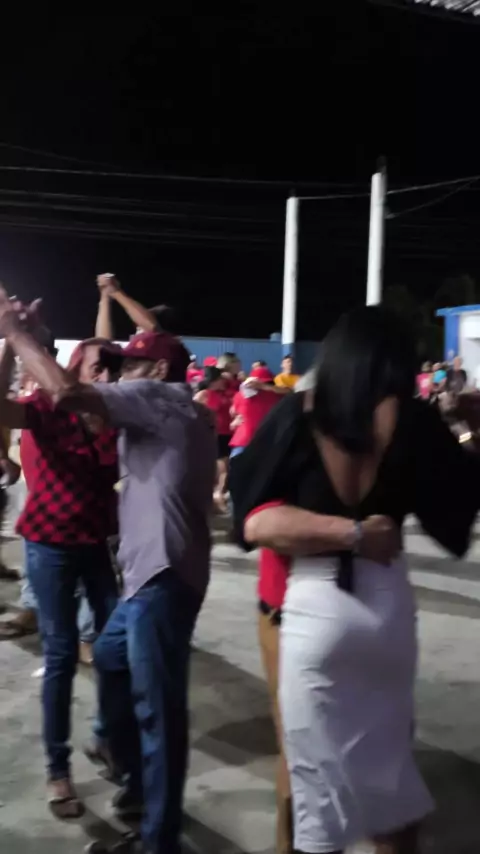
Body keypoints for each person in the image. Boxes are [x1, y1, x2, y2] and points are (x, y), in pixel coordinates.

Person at [230, 305, 480, 854]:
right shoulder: (413, 421)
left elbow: (248, 518)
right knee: (389, 768)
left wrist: (347, 532)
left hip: (314, 603)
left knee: (315, 784)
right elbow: (456, 512)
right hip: (386, 604)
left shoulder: (298, 415)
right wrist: (469, 432)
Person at [0, 297, 216, 854]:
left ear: (159, 371)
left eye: (128, 366)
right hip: (135, 570)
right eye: (109, 367)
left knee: (159, 714)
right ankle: (118, 767)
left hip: (156, 575)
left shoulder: (153, 400)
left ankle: (156, 838)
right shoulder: (175, 410)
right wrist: (19, 346)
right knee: (107, 657)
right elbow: (41, 402)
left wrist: (15, 334)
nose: (118, 376)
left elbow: (72, 394)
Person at [0, 326, 122, 819]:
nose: (107, 376)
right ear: (73, 371)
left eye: (112, 368)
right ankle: (58, 770)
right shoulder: (46, 408)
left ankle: (104, 737)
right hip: (49, 545)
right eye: (98, 367)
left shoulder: (114, 416)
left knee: (114, 646)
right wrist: (8, 343)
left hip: (94, 545)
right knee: (61, 654)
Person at [195, 366, 232, 511]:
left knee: (224, 468)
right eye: (221, 379)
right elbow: (192, 415)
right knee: (221, 469)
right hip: (213, 434)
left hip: (226, 434)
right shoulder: (203, 395)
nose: (223, 381)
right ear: (213, 380)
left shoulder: (223, 393)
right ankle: (217, 497)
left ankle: (217, 496)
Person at [230, 366, 285, 459]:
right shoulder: (276, 395)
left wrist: (236, 419)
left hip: (246, 440)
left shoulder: (240, 395)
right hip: (264, 440)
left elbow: (233, 412)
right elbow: (291, 392)